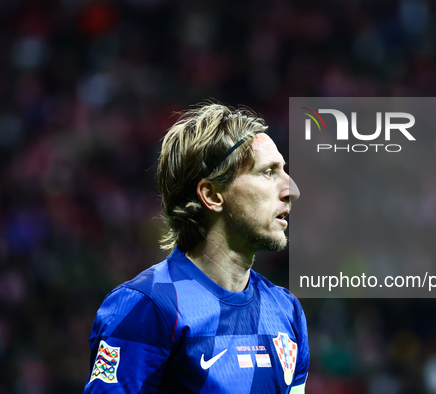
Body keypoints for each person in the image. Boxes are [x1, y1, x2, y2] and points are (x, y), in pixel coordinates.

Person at [84, 103, 308, 393]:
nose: (291, 189)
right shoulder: (147, 307)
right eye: (268, 172)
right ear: (212, 195)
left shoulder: (286, 311)